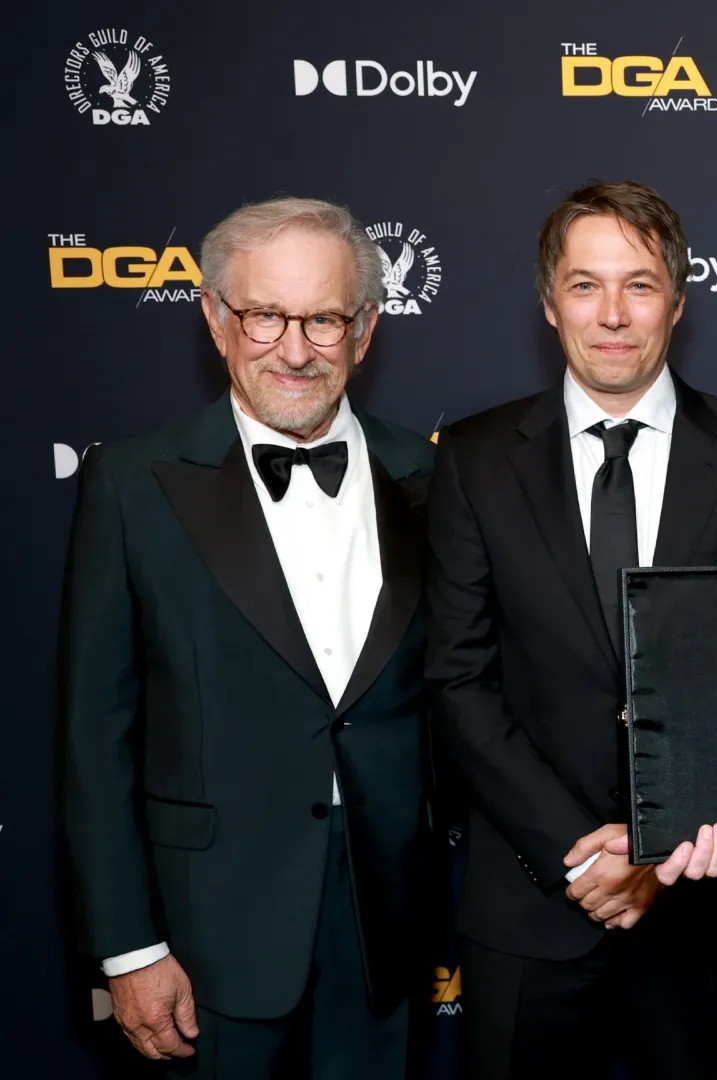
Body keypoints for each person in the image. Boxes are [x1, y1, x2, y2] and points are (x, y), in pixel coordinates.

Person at [59, 197, 437, 1076]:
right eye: (266, 316)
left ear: (368, 329)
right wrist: (128, 949)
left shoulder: (432, 477)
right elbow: (94, 737)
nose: (295, 349)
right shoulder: (131, 482)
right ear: (216, 319)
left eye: (324, 319)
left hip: (382, 922)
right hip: (206, 931)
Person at [424, 182, 717, 1079]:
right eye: (585, 286)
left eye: (640, 285)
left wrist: (659, 850)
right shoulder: (472, 458)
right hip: (529, 899)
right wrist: (580, 857)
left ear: (680, 301)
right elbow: (460, 679)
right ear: (549, 304)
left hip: (702, 899)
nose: (613, 315)